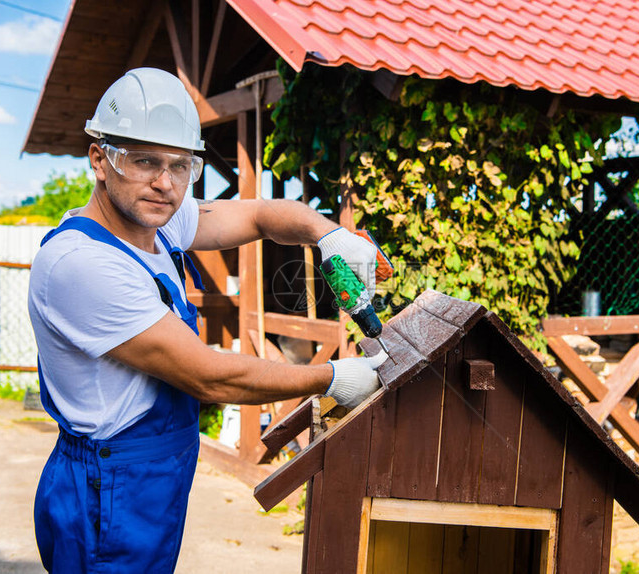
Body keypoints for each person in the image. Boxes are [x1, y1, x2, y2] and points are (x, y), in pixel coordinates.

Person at [28, 67, 385, 573]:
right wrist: (331, 378)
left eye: (181, 166)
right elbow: (207, 374)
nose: (165, 182)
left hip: (149, 477)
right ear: (100, 160)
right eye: (144, 161)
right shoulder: (82, 264)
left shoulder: (157, 220)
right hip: (107, 487)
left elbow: (260, 215)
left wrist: (328, 235)